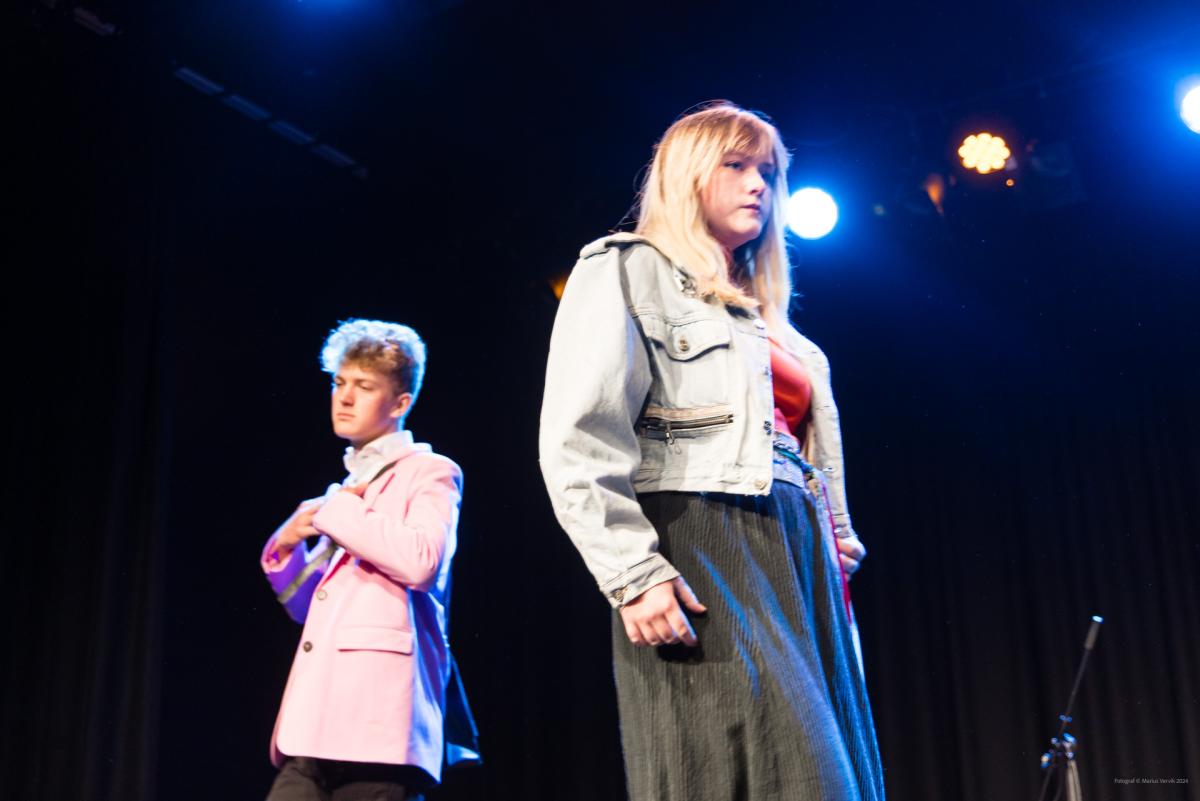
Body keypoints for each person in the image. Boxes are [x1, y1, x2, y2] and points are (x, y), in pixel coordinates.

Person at [538, 102, 885, 801]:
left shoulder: (777, 325)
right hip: (703, 537)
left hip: (796, 556)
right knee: (763, 770)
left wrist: (832, 535)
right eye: (736, 165)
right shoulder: (625, 269)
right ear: (689, 173)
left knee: (835, 774)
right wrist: (632, 572)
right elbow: (579, 436)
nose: (758, 184)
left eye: (769, 172)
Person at [261, 319, 476, 801]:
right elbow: (307, 609)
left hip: (380, 726)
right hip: (316, 724)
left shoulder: (429, 471)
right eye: (339, 383)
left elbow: (422, 561)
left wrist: (340, 510)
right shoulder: (349, 490)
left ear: (400, 403)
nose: (344, 397)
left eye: (364, 386)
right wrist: (287, 544)